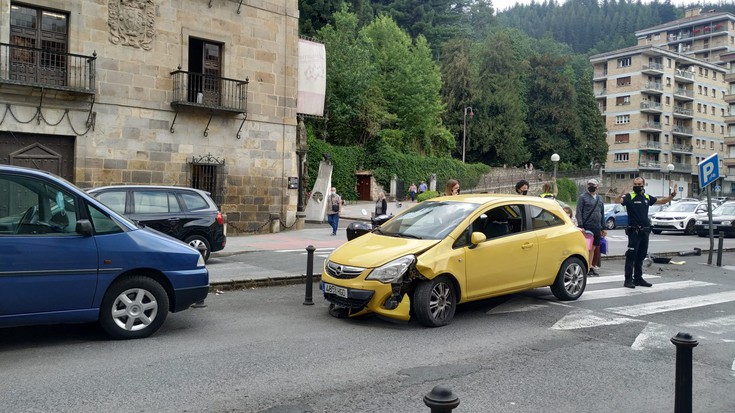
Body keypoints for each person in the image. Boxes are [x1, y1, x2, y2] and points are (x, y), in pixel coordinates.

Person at [615, 177, 677, 288]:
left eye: (639, 184)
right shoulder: (629, 196)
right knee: (631, 256)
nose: (637, 186)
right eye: (635, 184)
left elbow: (662, 201)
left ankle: (638, 278)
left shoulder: (647, 197)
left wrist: (672, 195)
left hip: (645, 231)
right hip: (634, 231)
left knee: (641, 256)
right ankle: (628, 280)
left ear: (643, 184)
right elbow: (617, 201)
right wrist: (620, 195)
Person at [576, 179, 606, 276]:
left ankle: (590, 266)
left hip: (597, 226)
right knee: (587, 248)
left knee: (593, 248)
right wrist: (581, 226)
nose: (591, 186)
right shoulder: (582, 197)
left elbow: (602, 213)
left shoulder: (600, 198)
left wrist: (603, 227)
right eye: (589, 184)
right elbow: (579, 212)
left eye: (593, 185)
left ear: (597, 186)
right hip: (587, 226)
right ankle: (586, 267)